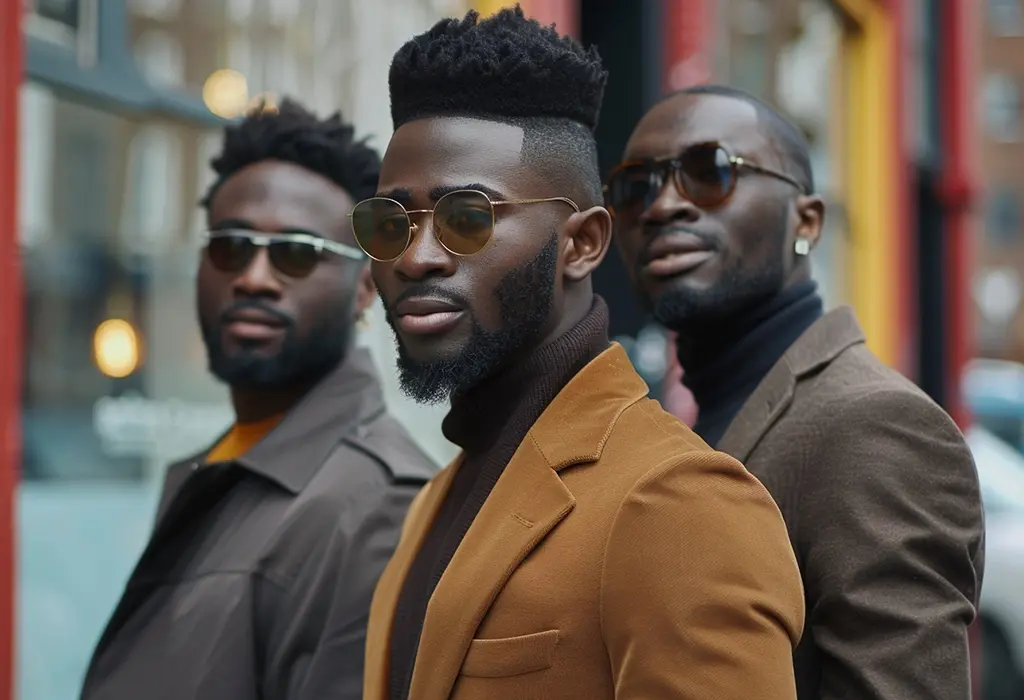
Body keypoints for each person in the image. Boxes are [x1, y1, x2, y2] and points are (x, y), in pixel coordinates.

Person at [355, 9, 805, 700]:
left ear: (584, 243)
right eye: (390, 222)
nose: (415, 257)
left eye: (468, 218)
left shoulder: (676, 501)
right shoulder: (437, 499)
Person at [609, 84, 985, 700]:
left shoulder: (876, 426)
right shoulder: (679, 424)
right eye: (635, 186)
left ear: (805, 221)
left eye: (712, 172)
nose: (663, 206)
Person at [81, 100, 436, 700]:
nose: (253, 277)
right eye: (231, 247)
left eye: (297, 252)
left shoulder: (376, 507)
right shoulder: (216, 469)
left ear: (364, 289)